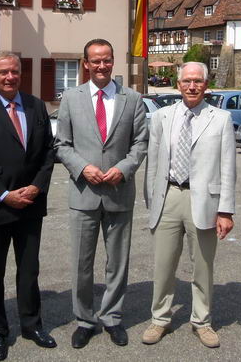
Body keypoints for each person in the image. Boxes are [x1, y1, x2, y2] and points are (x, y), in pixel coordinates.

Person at [55, 38, 148, 348]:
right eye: (95, 60)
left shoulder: (132, 98)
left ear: (113, 62)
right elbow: (62, 145)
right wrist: (82, 168)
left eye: (106, 59)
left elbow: (140, 143)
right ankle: (84, 320)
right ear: (85, 63)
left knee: (117, 262)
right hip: (84, 193)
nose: (101, 65)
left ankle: (112, 317)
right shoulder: (70, 97)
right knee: (82, 263)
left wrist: (124, 168)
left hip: (119, 191)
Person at [0, 52, 56, 361]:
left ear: (21, 74)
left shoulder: (36, 106)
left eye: (14, 71)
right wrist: (5, 195)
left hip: (30, 204)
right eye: (3, 72)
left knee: (29, 270)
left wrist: (37, 186)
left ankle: (32, 324)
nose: (9, 77)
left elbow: (48, 151)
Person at [141, 61, 236, 349]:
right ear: (178, 84)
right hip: (169, 196)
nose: (192, 86)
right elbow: (153, 162)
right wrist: (152, 199)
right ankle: (159, 319)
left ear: (206, 85)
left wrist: (226, 210)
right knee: (163, 265)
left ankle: (202, 321)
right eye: (187, 81)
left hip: (204, 200)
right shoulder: (162, 117)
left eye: (197, 81)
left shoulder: (220, 118)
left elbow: (228, 166)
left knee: (203, 266)